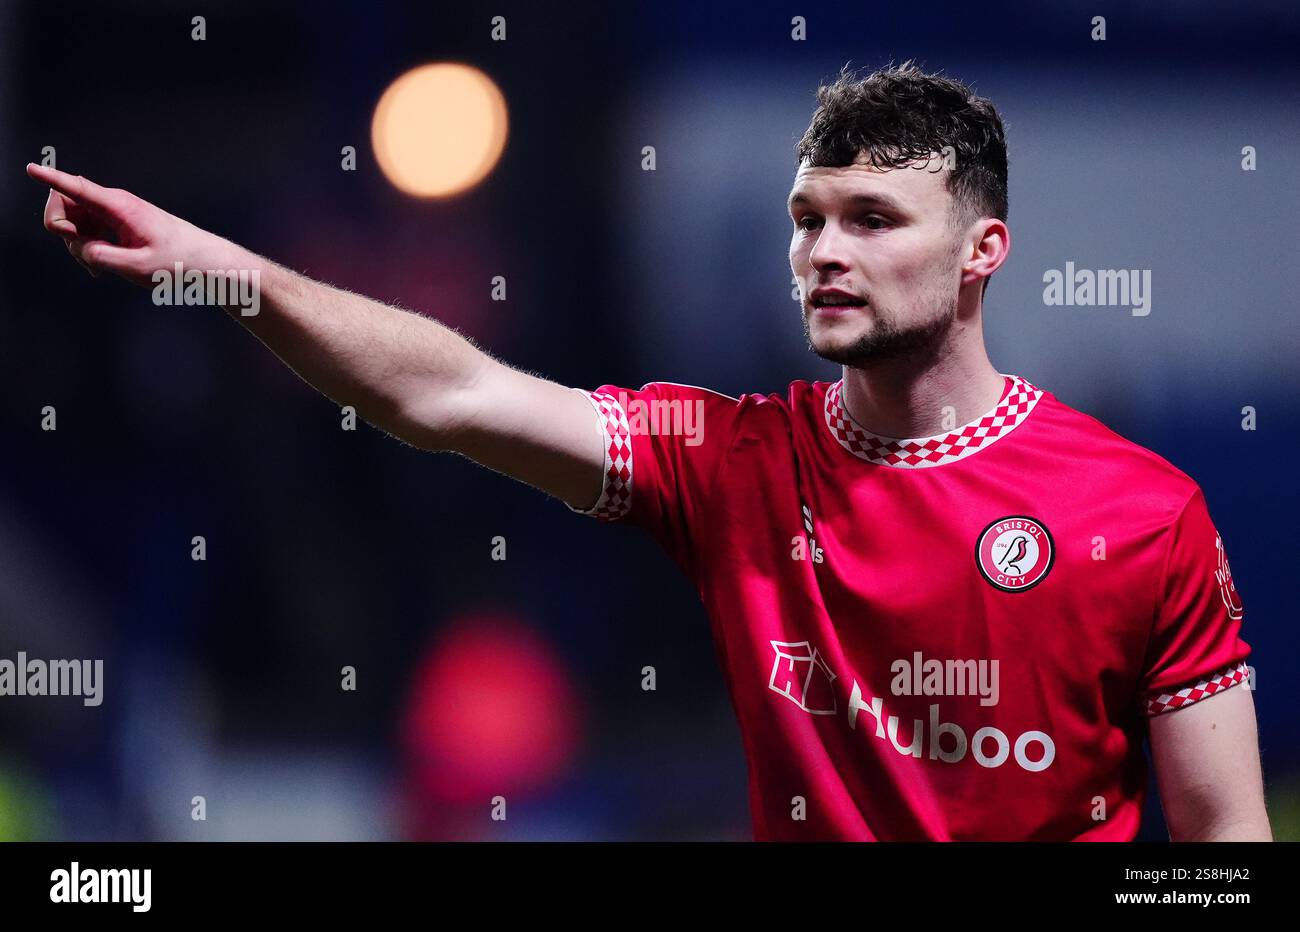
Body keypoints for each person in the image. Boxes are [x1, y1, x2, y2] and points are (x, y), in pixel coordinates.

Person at [26, 60, 1270, 841]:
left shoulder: (1142, 512)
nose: (823, 252)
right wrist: (228, 273)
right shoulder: (730, 461)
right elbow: (451, 391)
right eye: (807, 219)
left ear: (981, 252)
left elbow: (1221, 841)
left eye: (872, 220)